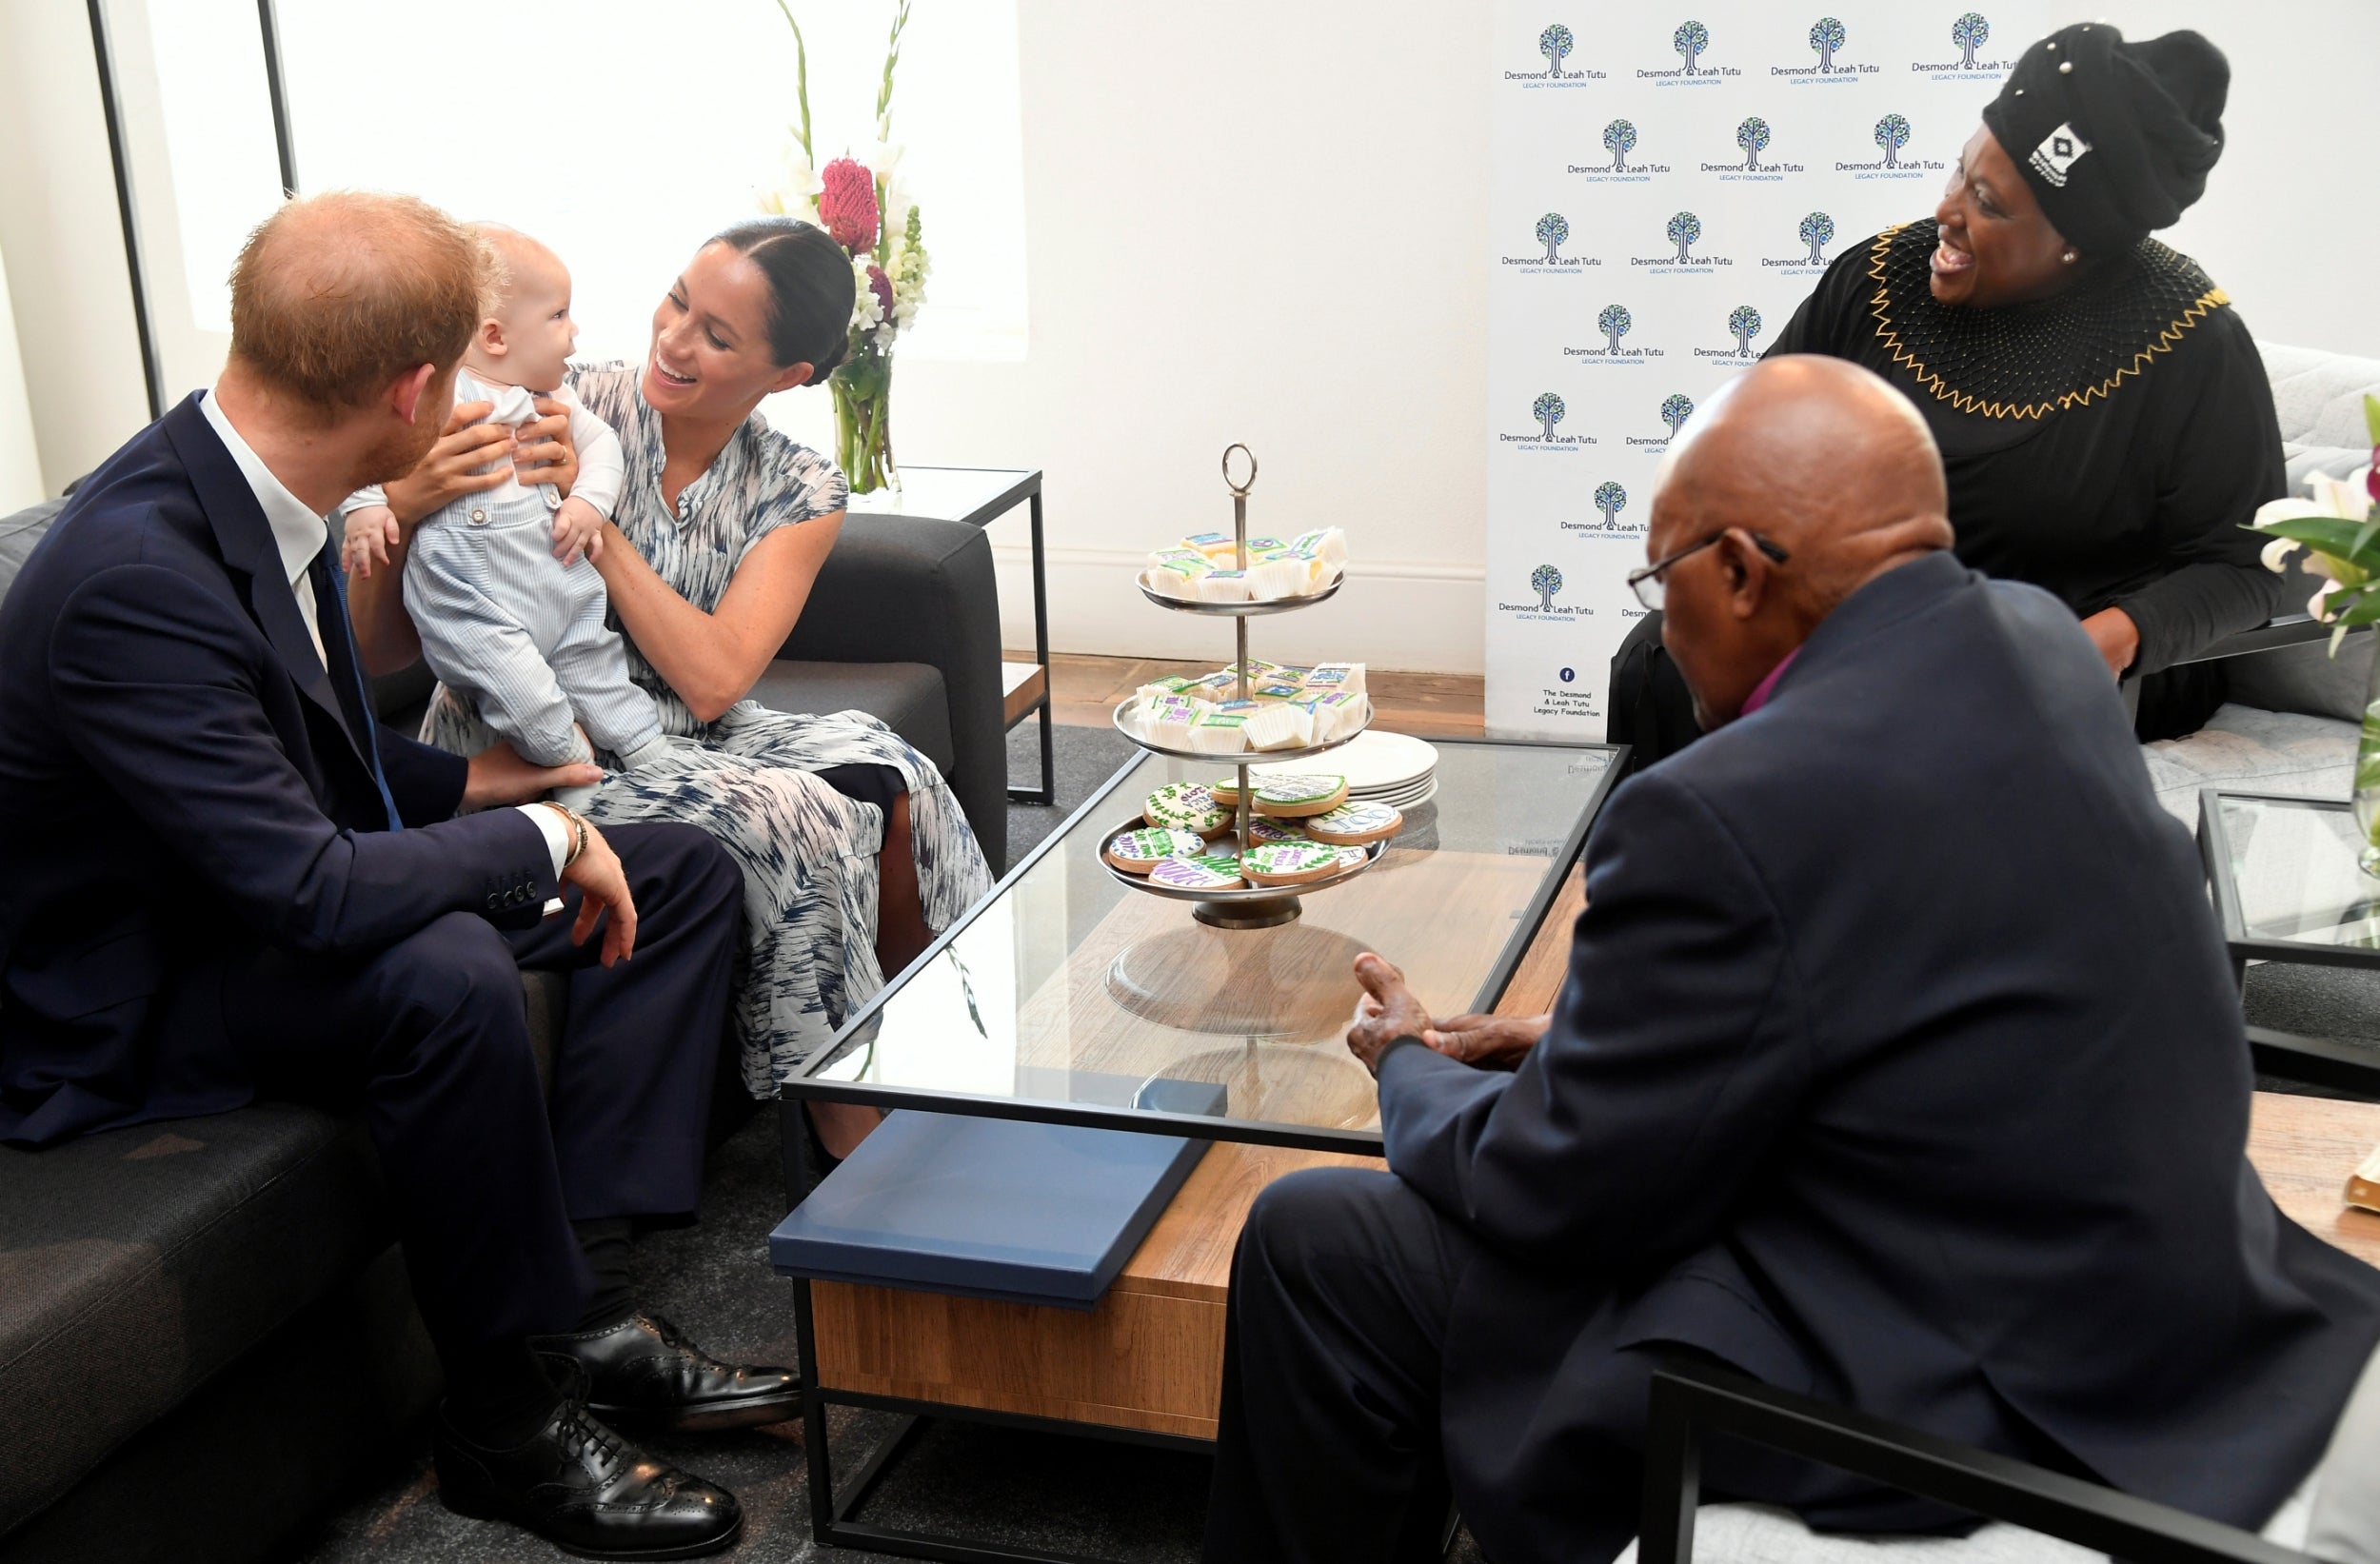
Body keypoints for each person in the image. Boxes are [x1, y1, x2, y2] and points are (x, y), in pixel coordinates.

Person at [1202, 357, 2380, 1564]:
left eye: (1658, 579)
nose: (1659, 627)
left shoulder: (1719, 808)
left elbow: (1553, 1186)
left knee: (1313, 1235)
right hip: (2158, 1301)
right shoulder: (2038, 643)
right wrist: (1566, 1039)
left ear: (1736, 571)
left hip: (1944, 1375)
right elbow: (1914, 971)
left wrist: (1406, 1063)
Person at [0, 192, 796, 1561]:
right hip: (138, 986)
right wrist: (544, 838)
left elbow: (300, 757)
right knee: (446, 969)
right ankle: (502, 1421)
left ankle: (580, 1304)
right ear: (415, 392)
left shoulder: (253, 482)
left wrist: (501, 786)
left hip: (237, 891)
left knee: (675, 869)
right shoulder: (132, 576)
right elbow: (310, 888)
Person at [345, 216, 993, 1158]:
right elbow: (382, 646)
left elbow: (714, 678)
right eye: (678, 301)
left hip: (687, 718)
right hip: (532, 734)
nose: (674, 339)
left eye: (716, 335)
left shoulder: (798, 485)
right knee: (798, 816)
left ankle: (956, 1052)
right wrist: (403, 506)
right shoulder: (554, 397)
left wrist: (595, 522)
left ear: (786, 376)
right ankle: (846, 1130)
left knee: (901, 773)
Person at [1611, 23, 2284, 769]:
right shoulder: (1877, 281)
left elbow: (2248, 566)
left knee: (1900, 709)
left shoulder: (2190, 342)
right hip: (1879, 621)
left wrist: (2104, 640)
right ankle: (1673, 848)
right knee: (1659, 660)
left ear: (2077, 242)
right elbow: (1750, 436)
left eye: (1988, 203)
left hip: (2071, 652)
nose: (1947, 211)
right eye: (1959, 173)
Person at [343, 224, 670, 811]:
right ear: (495, 336)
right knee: (525, 693)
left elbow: (603, 447)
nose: (575, 332)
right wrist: (368, 508)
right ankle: (570, 764)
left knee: (595, 662)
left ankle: (649, 751)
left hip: (554, 578)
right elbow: (371, 448)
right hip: (469, 597)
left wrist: (587, 502)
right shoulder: (434, 392)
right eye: (559, 315)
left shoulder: (554, 399)